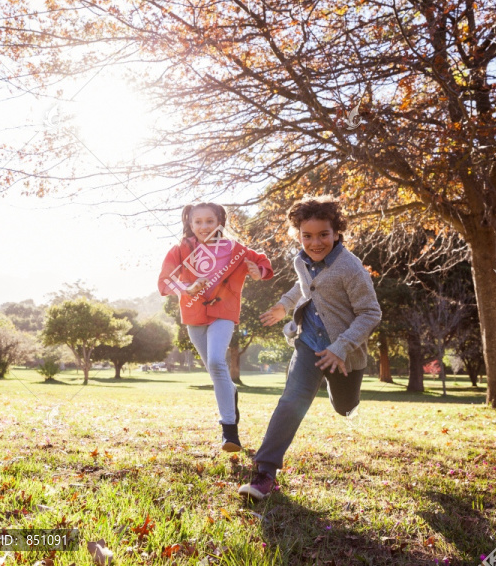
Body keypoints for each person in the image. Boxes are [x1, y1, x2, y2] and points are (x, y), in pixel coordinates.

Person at [238, 197, 381, 499]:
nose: (315, 242)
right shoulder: (301, 260)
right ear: (297, 234)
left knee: (343, 407)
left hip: (343, 354)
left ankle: (342, 397)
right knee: (291, 401)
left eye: (323, 235)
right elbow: (303, 287)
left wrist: (341, 347)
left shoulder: (350, 268)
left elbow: (371, 313)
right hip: (308, 343)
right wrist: (283, 306)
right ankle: (265, 473)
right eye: (307, 235)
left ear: (337, 233)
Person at [158, 202, 273, 451]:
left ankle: (229, 432)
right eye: (197, 222)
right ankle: (231, 394)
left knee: (216, 362)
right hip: (194, 314)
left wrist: (258, 272)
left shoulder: (234, 249)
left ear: (220, 222)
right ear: (189, 223)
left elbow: (262, 262)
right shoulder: (181, 249)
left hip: (224, 312)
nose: (203, 226)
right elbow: (165, 282)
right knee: (214, 369)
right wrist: (186, 289)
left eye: (209, 221)